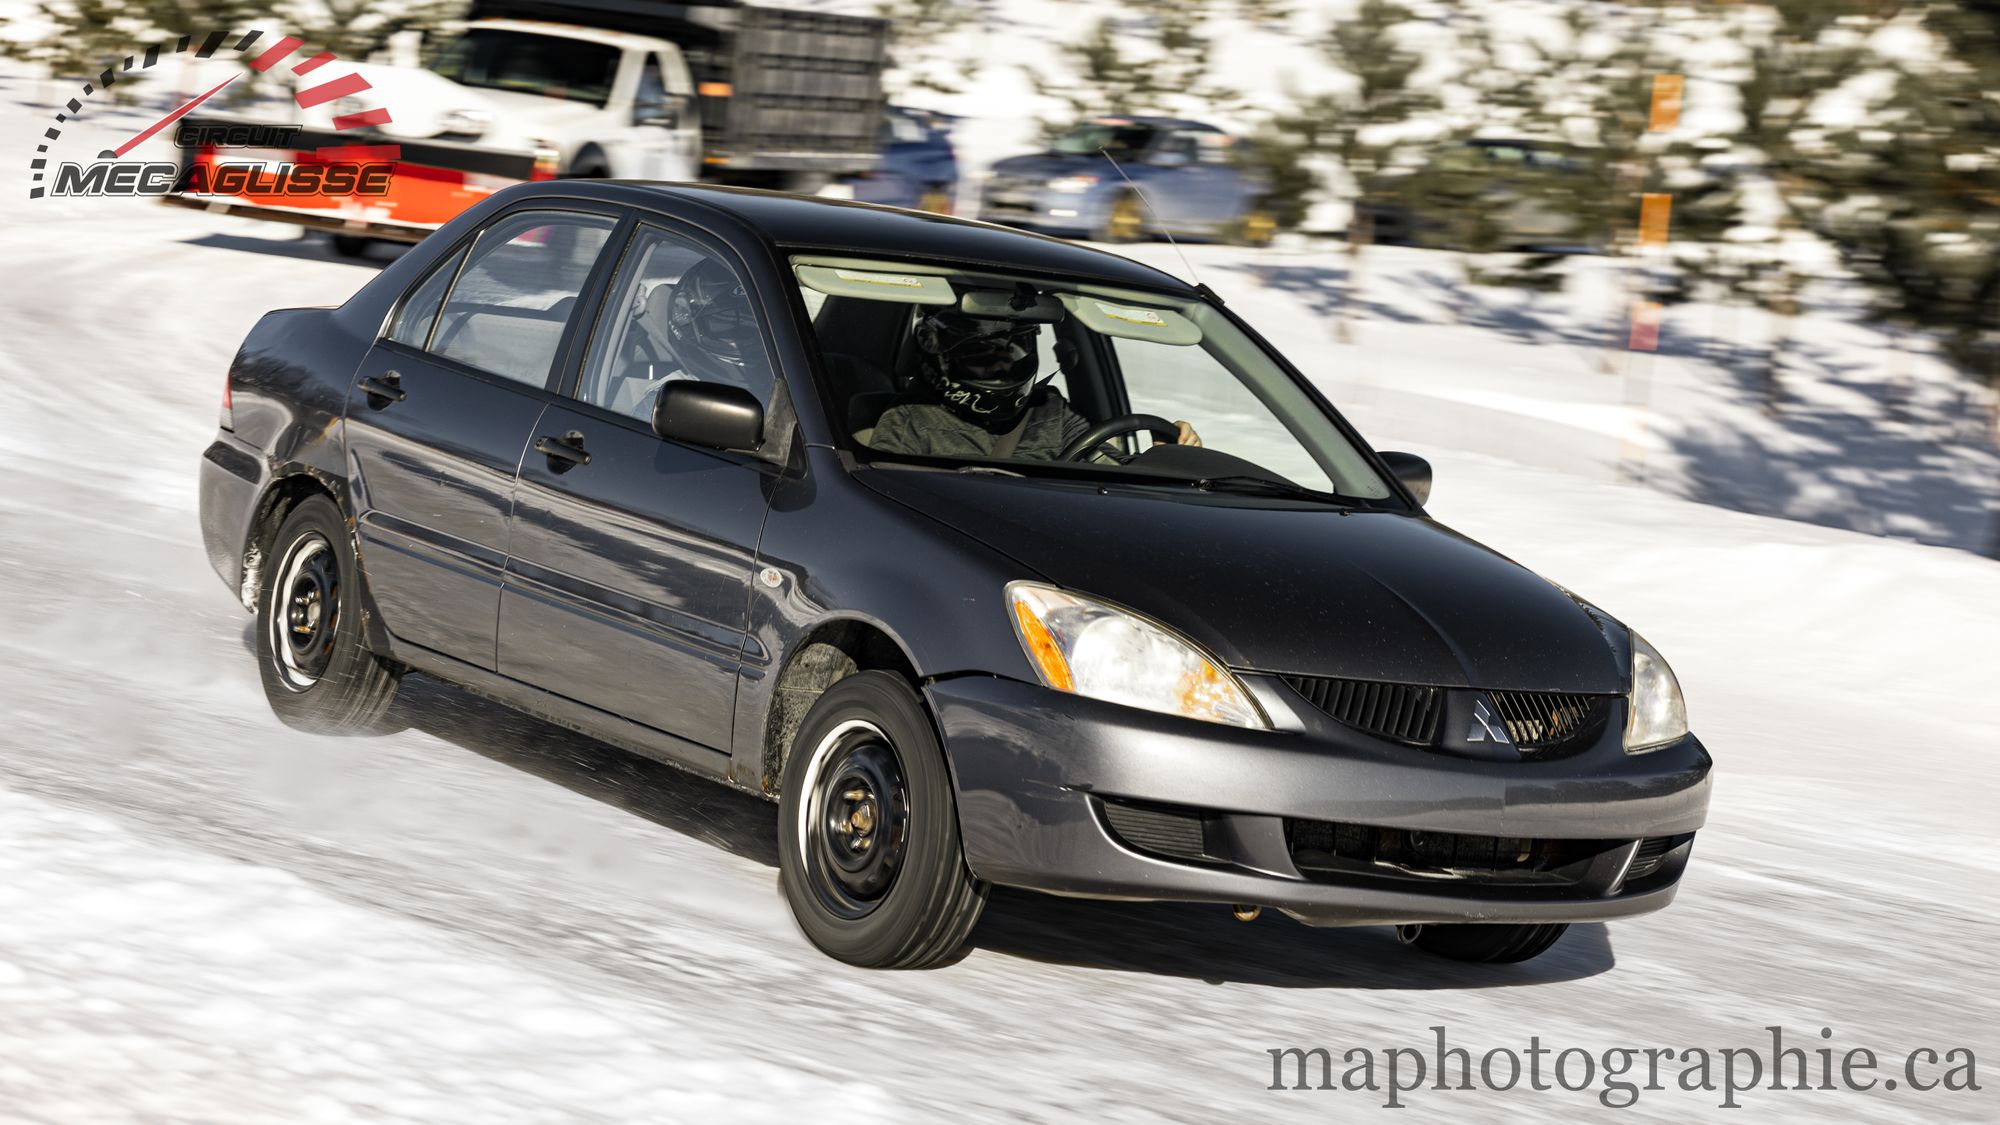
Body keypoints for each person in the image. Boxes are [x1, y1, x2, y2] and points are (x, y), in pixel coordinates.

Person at [867, 309, 1200, 460]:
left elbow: (1111, 471)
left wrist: (1164, 460)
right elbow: (891, 504)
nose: (1001, 362)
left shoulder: (1051, 413)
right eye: (981, 354)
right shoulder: (908, 420)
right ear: (940, 358)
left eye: (1014, 349)